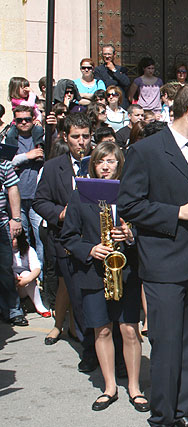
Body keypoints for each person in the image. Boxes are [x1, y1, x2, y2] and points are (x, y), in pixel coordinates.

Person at [117, 83, 188, 427]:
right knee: (167, 345)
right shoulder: (146, 151)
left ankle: (181, 413)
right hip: (164, 262)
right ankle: (162, 417)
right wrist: (178, 212)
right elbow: (130, 205)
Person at [60, 141, 148, 412]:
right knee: (102, 329)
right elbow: (68, 237)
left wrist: (131, 235)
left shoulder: (130, 192)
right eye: (100, 161)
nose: (106, 166)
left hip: (127, 272)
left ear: (119, 164)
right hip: (93, 273)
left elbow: (146, 229)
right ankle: (109, 387)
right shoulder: (80, 195)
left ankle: (134, 387)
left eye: (111, 161)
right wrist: (90, 249)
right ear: (93, 165)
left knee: (130, 330)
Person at [34, 112, 98, 370]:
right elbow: (40, 201)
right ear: (65, 137)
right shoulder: (53, 166)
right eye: (75, 137)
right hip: (66, 242)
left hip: (97, 241)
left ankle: (110, 353)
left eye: (86, 136)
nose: (81, 142)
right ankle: (89, 350)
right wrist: (60, 213)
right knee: (79, 300)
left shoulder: (102, 161)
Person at [5, 105, 45, 271]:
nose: (23, 123)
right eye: (19, 120)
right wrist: (27, 156)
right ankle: (25, 272)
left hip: (37, 197)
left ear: (33, 119)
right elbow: (5, 162)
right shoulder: (9, 139)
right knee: (23, 238)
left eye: (27, 119)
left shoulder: (42, 136)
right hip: (17, 199)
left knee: (40, 238)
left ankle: (40, 275)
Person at [1, 157, 27, 326]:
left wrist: (16, 218)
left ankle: (12, 309)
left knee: (4, 268)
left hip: (1, 225)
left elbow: (12, 188)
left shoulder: (3, 164)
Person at [12, 232, 49, 317]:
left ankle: (39, 306)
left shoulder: (28, 249)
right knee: (10, 274)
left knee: (26, 274)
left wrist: (26, 280)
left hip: (24, 284)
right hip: (11, 282)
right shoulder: (4, 251)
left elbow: (37, 269)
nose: (11, 240)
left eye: (14, 238)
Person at [93, 44, 130, 108]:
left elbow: (126, 83)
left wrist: (114, 70)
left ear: (114, 54)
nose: (107, 56)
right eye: (105, 54)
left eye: (109, 54)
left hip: (120, 103)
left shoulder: (121, 69)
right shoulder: (98, 70)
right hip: (106, 103)